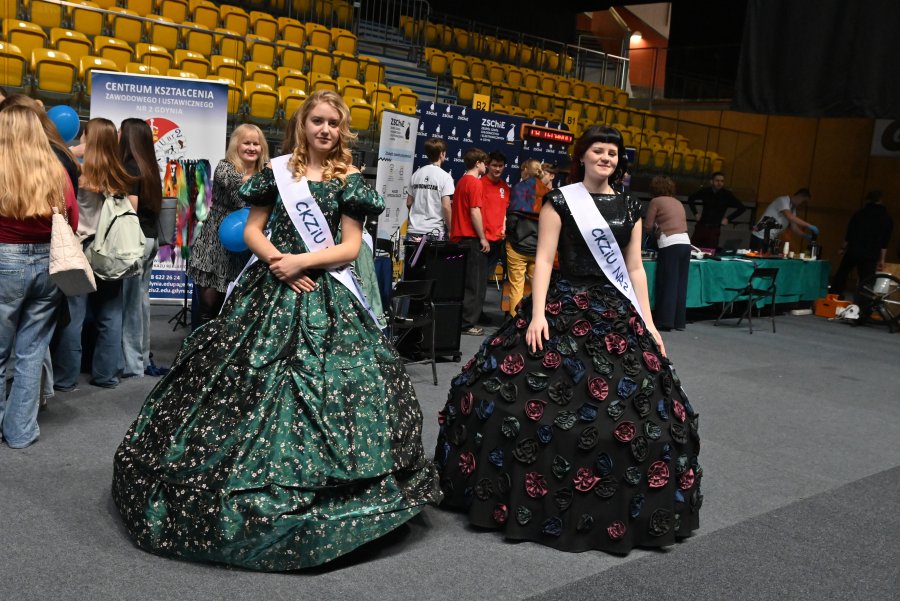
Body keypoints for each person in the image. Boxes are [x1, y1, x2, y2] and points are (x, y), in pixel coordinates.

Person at [112, 90, 441, 571]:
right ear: (302, 124)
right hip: (269, 287)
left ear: (342, 128)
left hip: (323, 291)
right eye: (317, 121)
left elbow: (350, 248)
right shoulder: (277, 171)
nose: (325, 130)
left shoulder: (349, 178)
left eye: (334, 122)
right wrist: (274, 261)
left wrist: (299, 262)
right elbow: (251, 227)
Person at [434, 125, 702, 554]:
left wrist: (649, 324)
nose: (606, 158)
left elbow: (634, 270)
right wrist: (537, 313)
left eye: (613, 153)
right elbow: (543, 259)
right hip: (564, 301)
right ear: (583, 155)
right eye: (598, 150)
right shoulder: (560, 200)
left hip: (615, 310)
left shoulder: (632, 206)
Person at [0, 106, 76, 448]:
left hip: (4, 260)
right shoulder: (56, 170)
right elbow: (72, 223)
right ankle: (20, 431)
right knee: (32, 352)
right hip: (48, 262)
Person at [52, 118, 136, 390]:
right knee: (110, 315)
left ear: (89, 139)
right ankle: (106, 376)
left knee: (73, 317)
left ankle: (66, 379)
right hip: (110, 252)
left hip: (78, 250)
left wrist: (71, 150)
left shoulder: (77, 172)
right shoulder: (121, 176)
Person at [186, 124, 269, 325]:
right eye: (246, 143)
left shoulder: (265, 172)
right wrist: (269, 178)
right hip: (214, 249)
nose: (252, 148)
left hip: (246, 249)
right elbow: (237, 183)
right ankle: (197, 354)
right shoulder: (225, 167)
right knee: (208, 311)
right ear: (236, 146)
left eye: (256, 144)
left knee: (235, 314)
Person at [119, 118, 163, 377]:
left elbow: (130, 210)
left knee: (132, 305)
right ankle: (143, 358)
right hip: (150, 239)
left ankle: (133, 363)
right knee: (142, 302)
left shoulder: (130, 166)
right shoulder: (148, 166)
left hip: (136, 241)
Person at [450, 147, 489, 335]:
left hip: (459, 237)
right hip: (471, 239)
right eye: (484, 162)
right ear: (477, 163)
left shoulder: (461, 181)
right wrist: (483, 238)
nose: (486, 166)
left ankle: (461, 320)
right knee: (475, 284)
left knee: (464, 282)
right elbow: (475, 211)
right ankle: (467, 323)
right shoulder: (474, 183)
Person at [645, 175, 691, 331]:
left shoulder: (655, 202)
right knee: (680, 284)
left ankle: (665, 321)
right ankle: (679, 322)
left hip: (670, 243)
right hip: (686, 243)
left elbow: (648, 226)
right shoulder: (678, 202)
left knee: (668, 283)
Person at [505, 159, 550, 317]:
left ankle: (514, 323)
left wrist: (510, 237)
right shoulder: (547, 192)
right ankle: (537, 320)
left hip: (517, 246)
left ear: (525, 170)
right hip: (538, 249)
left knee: (516, 287)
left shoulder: (518, 188)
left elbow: (512, 219)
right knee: (539, 288)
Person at [831, 190, 893, 299]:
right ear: (881, 200)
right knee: (867, 280)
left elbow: (850, 233)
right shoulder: (886, 218)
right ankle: (863, 304)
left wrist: (843, 247)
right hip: (871, 252)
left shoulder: (860, 213)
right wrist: (882, 259)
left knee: (843, 273)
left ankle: (835, 295)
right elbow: (885, 241)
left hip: (855, 249)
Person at [406, 137, 454, 240]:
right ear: (442, 154)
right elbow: (446, 206)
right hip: (434, 232)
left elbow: (409, 202)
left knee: (413, 257)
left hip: (413, 230)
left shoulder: (416, 174)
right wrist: (450, 230)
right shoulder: (445, 177)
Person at [687, 171, 746, 249]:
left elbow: (742, 208)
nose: (719, 183)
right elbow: (690, 199)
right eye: (717, 181)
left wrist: (728, 219)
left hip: (714, 228)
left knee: (710, 251)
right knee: (693, 249)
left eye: (722, 181)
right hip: (701, 226)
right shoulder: (705, 191)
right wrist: (696, 213)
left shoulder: (726, 194)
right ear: (712, 181)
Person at [481, 151, 510, 307]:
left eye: (500, 166)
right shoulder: (480, 184)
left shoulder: (505, 188)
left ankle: (480, 312)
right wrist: (481, 236)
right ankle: (473, 314)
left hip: (499, 240)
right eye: (494, 165)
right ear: (487, 165)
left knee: (486, 278)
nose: (497, 169)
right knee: (477, 279)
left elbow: (505, 212)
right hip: (483, 240)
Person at [750, 188, 817, 252]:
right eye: (803, 202)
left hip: (769, 238)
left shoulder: (792, 209)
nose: (803, 205)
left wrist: (805, 236)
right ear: (800, 196)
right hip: (760, 236)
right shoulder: (783, 200)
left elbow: (794, 227)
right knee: (757, 261)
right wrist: (809, 225)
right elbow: (789, 216)